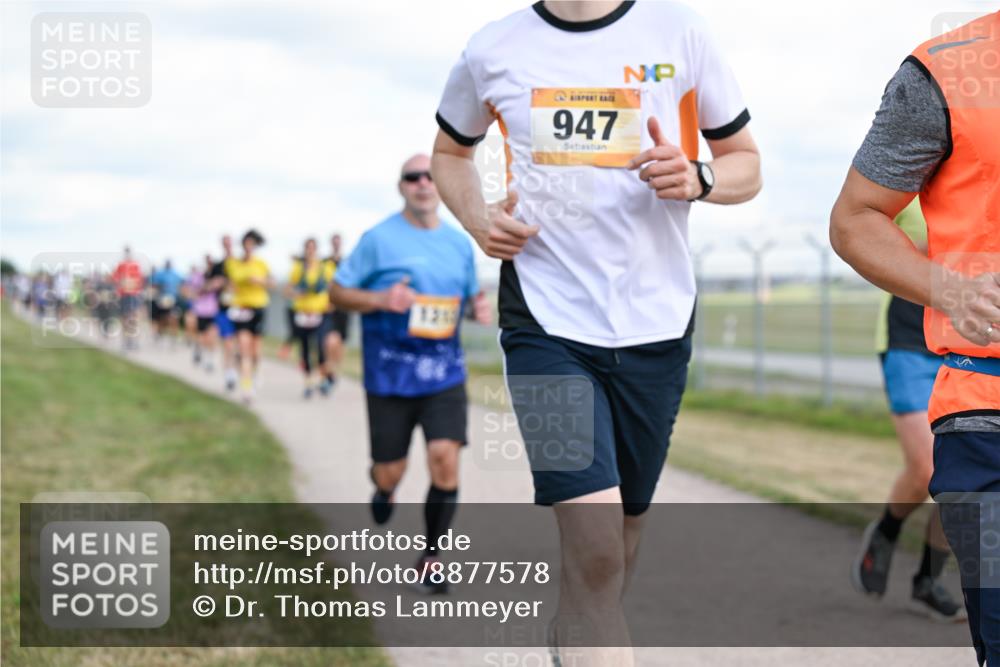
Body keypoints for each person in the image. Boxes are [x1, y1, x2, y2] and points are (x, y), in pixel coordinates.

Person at [432, 1, 761, 662]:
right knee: (599, 542)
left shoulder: (681, 33)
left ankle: (576, 634)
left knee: (620, 542)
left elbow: (746, 163)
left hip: (657, 324)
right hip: (544, 321)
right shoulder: (492, 49)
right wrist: (478, 218)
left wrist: (700, 177)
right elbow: (449, 153)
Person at [830, 12, 999, 665]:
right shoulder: (944, 71)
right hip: (971, 387)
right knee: (926, 464)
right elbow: (855, 221)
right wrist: (951, 290)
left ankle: (928, 570)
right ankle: (905, 546)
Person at [330, 154, 491, 594]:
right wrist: (381, 300)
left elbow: (468, 298)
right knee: (390, 470)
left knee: (444, 458)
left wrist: (478, 310)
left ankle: (431, 557)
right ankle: (384, 490)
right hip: (389, 376)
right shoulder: (377, 239)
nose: (423, 183)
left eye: (430, 176)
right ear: (401, 187)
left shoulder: (459, 244)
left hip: (444, 373)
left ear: (441, 185)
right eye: (412, 177)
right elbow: (338, 292)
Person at [851, 197, 963, 621]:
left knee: (963, 473)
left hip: (967, 339)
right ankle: (886, 532)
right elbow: (861, 236)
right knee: (926, 469)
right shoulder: (907, 178)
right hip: (908, 340)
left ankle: (928, 580)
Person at [225, 229, 272, 404]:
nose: (249, 247)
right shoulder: (234, 263)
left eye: (252, 244)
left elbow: (271, 282)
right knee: (244, 347)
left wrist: (261, 281)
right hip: (241, 309)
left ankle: (256, 372)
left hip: (259, 307)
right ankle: (246, 387)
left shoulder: (261, 264)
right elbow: (231, 281)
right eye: (246, 244)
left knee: (256, 351)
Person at [285, 238, 335, 398]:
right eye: (308, 248)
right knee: (305, 349)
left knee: (321, 347)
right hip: (303, 313)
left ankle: (323, 378)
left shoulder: (326, 267)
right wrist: (297, 293)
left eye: (313, 248)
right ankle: (308, 383)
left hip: (320, 313)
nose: (310, 251)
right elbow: (288, 289)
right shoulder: (298, 268)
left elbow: (335, 286)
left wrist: (331, 302)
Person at [207, 235, 239, 391]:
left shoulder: (240, 264)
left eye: (229, 243)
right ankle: (230, 373)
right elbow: (206, 286)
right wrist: (214, 284)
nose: (227, 246)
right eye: (225, 244)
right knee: (227, 342)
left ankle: (240, 370)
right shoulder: (217, 266)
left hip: (241, 308)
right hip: (223, 309)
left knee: (239, 343)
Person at [320, 233, 349, 391]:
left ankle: (333, 372)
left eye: (338, 242)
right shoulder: (324, 263)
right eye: (334, 242)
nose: (336, 244)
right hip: (327, 309)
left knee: (339, 345)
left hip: (343, 309)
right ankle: (328, 375)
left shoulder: (347, 262)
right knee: (328, 342)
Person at [187, 255, 220, 372]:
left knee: (212, 336)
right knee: (201, 337)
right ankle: (199, 349)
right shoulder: (198, 277)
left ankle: (210, 360)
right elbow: (191, 292)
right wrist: (206, 287)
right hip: (201, 311)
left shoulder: (217, 277)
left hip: (213, 310)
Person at [111, 246, 144, 350]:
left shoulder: (136, 265)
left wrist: (132, 284)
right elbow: (115, 278)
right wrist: (121, 283)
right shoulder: (121, 265)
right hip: (124, 295)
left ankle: (134, 340)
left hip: (133, 295)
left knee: (134, 318)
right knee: (125, 318)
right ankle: (126, 341)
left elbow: (140, 280)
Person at [149, 260, 184, 343]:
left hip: (173, 300)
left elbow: (182, 285)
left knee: (174, 318)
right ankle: (159, 332)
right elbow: (154, 285)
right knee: (161, 318)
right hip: (162, 299)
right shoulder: (160, 274)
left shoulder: (176, 274)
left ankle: (174, 337)